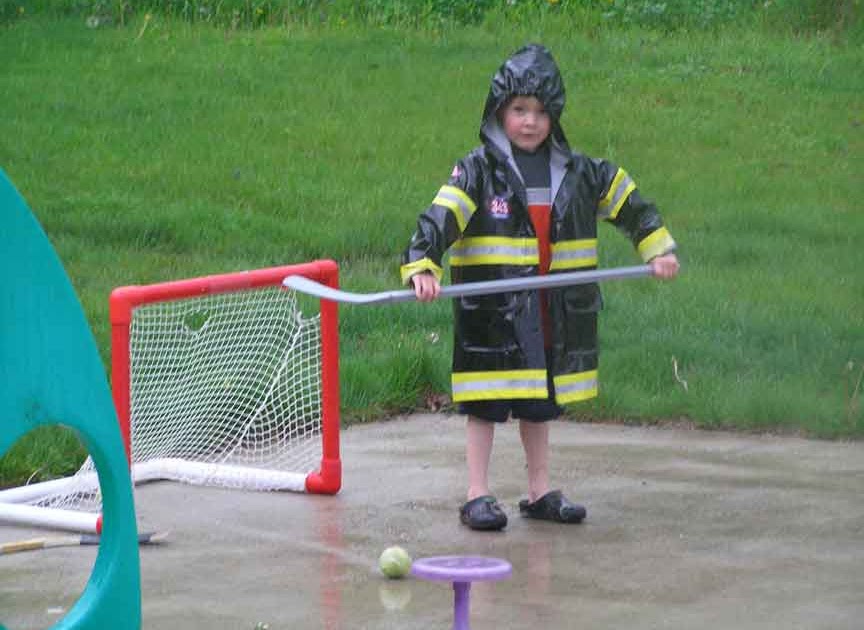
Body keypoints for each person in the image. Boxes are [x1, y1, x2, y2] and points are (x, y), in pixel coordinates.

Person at [400, 44, 679, 531]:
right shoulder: (476, 171)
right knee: (485, 405)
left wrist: (656, 249)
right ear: (499, 111)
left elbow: (631, 202)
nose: (529, 121)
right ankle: (477, 493)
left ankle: (539, 490)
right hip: (492, 314)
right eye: (519, 110)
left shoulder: (579, 173)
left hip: (552, 312)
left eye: (540, 112)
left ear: (555, 116)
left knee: (539, 405)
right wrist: (423, 265)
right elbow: (438, 220)